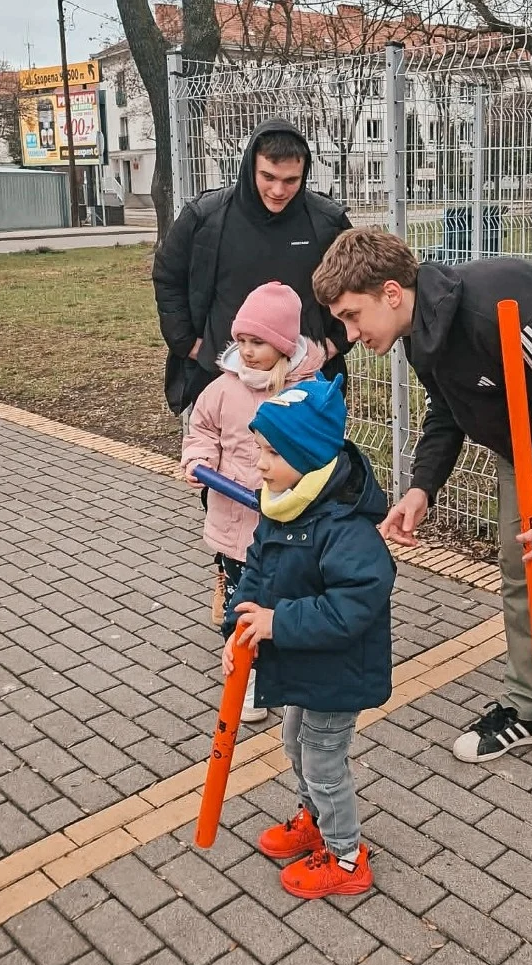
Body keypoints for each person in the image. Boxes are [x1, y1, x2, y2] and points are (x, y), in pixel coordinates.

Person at [312, 228, 532, 815]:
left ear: (390, 292)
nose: (348, 335)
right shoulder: (422, 332)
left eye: (351, 316)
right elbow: (448, 409)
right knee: (525, 575)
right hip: (527, 445)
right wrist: (422, 487)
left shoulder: (503, 309)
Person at [153, 118, 354, 622]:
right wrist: (189, 342)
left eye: (291, 180)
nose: (279, 190)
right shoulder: (208, 216)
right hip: (226, 382)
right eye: (268, 177)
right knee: (230, 486)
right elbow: (167, 275)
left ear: (305, 172)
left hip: (302, 386)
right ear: (250, 167)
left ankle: (293, 584)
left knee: (303, 488)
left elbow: (357, 281)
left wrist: (334, 343)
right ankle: (231, 571)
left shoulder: (325, 221)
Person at [222, 375, 395, 897]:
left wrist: (279, 623)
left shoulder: (346, 528)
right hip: (306, 664)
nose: (260, 464)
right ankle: (315, 819)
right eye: (260, 449)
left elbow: (354, 605)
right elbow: (253, 571)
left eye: (272, 453)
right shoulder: (283, 504)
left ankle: (345, 858)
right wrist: (238, 630)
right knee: (294, 744)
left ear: (309, 457)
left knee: (322, 760)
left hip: (338, 672)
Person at [181, 282, 325, 724]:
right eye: (241, 341)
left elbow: (323, 447)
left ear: (283, 345)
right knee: (240, 603)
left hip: (287, 523)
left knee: (281, 600)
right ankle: (245, 678)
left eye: (258, 342)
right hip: (235, 519)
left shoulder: (305, 391)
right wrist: (200, 459)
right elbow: (201, 428)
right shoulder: (223, 389)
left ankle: (284, 668)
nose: (246, 351)